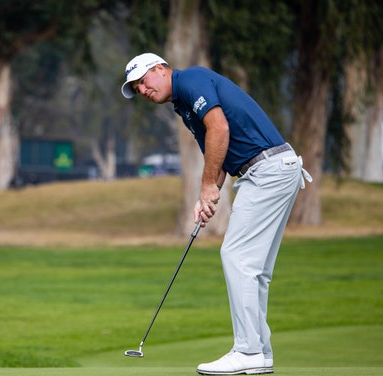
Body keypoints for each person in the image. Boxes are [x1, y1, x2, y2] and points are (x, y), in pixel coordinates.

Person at [121, 53, 311, 375]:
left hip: (266, 171)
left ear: (160, 69)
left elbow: (219, 129)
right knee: (255, 268)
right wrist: (206, 196)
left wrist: (209, 185)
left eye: (143, 80)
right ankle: (260, 352)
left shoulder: (191, 80)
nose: (142, 90)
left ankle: (248, 351)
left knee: (236, 256)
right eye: (137, 87)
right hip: (273, 169)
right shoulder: (183, 104)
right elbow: (216, 153)